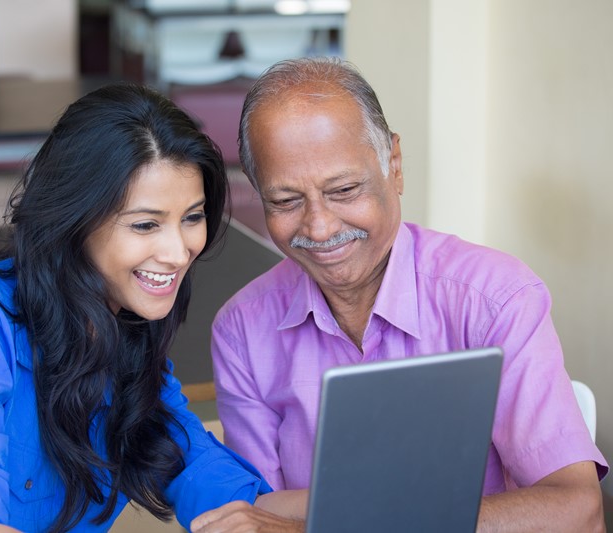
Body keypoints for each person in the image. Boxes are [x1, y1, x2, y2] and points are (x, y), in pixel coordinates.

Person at [0, 84, 304, 532]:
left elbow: (217, 483)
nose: (179, 252)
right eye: (145, 225)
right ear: (74, 218)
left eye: (192, 218)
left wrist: (357, 504)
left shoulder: (126, 341)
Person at [210, 57, 608, 531]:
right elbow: (252, 512)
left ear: (393, 165)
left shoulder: (495, 299)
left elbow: (579, 512)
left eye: (344, 189)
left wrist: (337, 519)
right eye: (285, 201)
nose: (319, 226)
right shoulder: (242, 329)